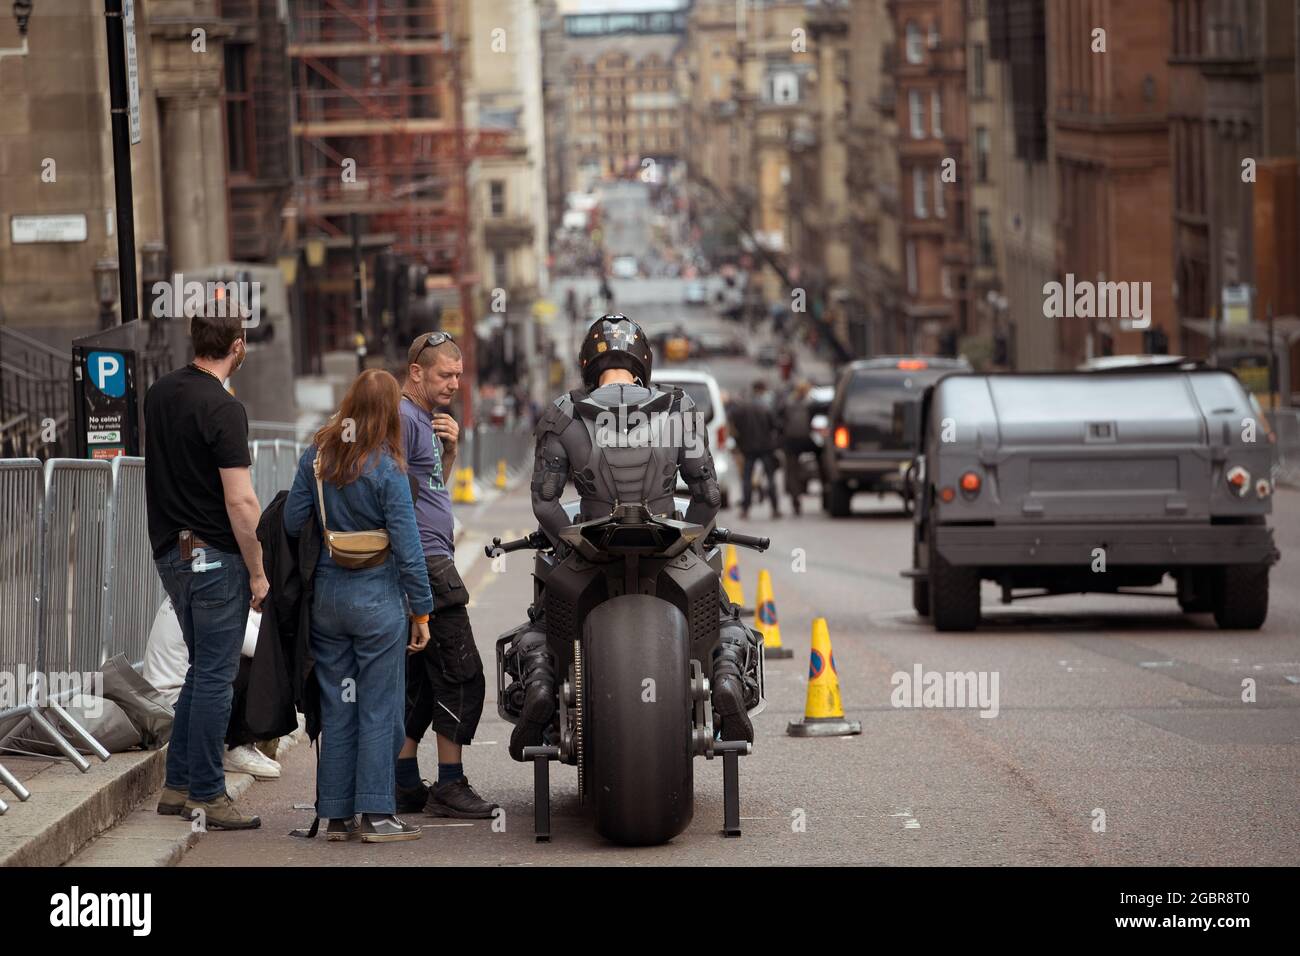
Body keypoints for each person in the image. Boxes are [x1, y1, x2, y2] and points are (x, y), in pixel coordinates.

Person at [503, 315, 763, 758]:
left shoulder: (562, 411)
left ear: (588, 362)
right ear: (643, 360)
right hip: (667, 548)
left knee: (543, 625)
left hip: (588, 550)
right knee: (723, 620)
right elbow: (708, 494)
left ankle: (542, 686)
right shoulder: (679, 408)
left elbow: (545, 503)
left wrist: (567, 546)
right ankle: (724, 679)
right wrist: (693, 542)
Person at [283, 369, 434, 843]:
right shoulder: (388, 467)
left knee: (339, 704)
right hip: (377, 599)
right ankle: (377, 813)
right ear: (389, 411)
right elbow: (409, 548)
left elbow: (291, 520)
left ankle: (335, 815)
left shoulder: (319, 456)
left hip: (328, 597)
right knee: (380, 708)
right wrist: (422, 611)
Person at [145, 310, 267, 830]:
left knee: (201, 670)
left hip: (173, 549)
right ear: (237, 347)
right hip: (215, 553)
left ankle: (177, 785)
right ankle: (210, 794)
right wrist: (259, 571)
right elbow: (240, 502)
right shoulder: (223, 407)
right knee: (217, 677)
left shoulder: (159, 393)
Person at [394, 332, 498, 819]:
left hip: (431, 557)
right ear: (417, 372)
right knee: (462, 674)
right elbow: (395, 499)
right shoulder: (402, 417)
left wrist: (450, 453)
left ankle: (405, 780)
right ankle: (450, 784)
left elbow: (431, 489)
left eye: (458, 374)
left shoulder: (427, 422)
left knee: (424, 676)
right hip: (426, 562)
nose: (454, 383)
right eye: (444, 374)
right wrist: (412, 569)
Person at [730, 380, 782, 520]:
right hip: (766, 447)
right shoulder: (766, 407)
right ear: (762, 390)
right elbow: (775, 426)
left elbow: (735, 426)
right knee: (770, 478)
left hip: (748, 448)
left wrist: (740, 443)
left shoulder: (742, 407)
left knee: (747, 479)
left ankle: (745, 509)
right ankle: (775, 508)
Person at [778, 381, 817, 516]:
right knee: (823, 459)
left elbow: (780, 420)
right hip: (806, 439)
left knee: (791, 471)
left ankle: (795, 500)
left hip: (791, 441)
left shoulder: (787, 404)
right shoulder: (811, 404)